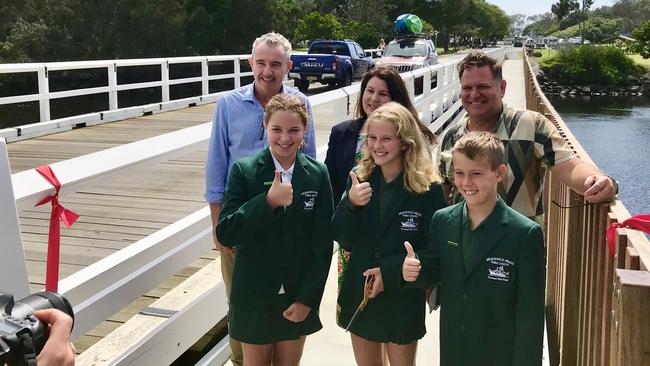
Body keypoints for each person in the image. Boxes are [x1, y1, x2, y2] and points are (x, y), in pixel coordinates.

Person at [204, 32, 317, 365]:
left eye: (276, 64)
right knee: (241, 306)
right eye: (262, 63)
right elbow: (216, 169)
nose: (268, 71)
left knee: (287, 301)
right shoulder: (228, 104)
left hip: (287, 226)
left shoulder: (301, 103)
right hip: (242, 222)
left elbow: (309, 162)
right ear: (251, 63)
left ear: (289, 66)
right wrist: (217, 226)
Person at [403, 131, 545, 365]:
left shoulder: (525, 234)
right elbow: (432, 269)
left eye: (476, 174)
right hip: (454, 350)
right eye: (459, 173)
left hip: (499, 353)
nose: (466, 183)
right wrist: (414, 270)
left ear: (499, 173)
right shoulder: (442, 221)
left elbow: (530, 315)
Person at [216, 94, 333, 366]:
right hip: (253, 295)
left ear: (305, 132)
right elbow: (226, 233)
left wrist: (308, 299)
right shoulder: (244, 171)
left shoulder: (317, 174)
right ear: (264, 128)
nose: (285, 138)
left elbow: (322, 245)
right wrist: (267, 202)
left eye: (294, 130)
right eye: (276, 129)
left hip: (296, 294)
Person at [439, 51, 618, 222]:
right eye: (467, 88)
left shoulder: (531, 125)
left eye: (483, 86)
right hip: (462, 246)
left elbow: (569, 166)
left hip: (519, 247)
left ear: (502, 87)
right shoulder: (452, 136)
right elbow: (442, 192)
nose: (474, 94)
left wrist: (600, 182)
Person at [332, 102, 446, 366]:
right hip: (362, 294)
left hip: (403, 297)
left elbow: (436, 251)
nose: (377, 145)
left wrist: (391, 272)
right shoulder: (359, 180)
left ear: (405, 142)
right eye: (372, 138)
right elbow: (341, 238)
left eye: (386, 138)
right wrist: (350, 204)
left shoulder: (429, 189)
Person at [324, 66, 437, 328]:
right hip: (356, 236)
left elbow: (423, 193)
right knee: (360, 315)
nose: (373, 99)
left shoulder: (414, 144)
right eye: (369, 91)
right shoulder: (343, 133)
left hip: (399, 244)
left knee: (394, 327)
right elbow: (332, 185)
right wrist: (349, 203)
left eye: (382, 93)